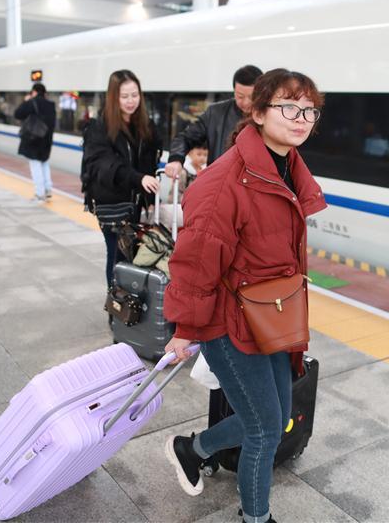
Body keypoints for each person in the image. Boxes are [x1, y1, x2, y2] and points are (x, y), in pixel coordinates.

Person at [162, 69, 326, 523]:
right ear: (258, 113)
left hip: (269, 316)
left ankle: (192, 450)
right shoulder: (225, 181)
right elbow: (195, 262)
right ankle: (256, 517)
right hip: (227, 322)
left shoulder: (288, 168)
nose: (301, 119)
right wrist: (185, 328)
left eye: (309, 110)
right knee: (265, 429)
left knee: (277, 415)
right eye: (288, 108)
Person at [82, 70, 160, 288]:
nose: (131, 101)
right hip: (112, 204)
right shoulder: (99, 128)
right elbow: (106, 165)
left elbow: (149, 165)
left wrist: (149, 199)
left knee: (131, 254)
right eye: (124, 96)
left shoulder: (145, 126)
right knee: (117, 253)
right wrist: (138, 178)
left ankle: (127, 299)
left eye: (135, 95)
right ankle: (116, 301)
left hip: (135, 204)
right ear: (113, 97)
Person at [164, 65, 262, 180]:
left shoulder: (270, 114)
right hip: (220, 180)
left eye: (251, 97)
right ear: (234, 91)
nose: (246, 102)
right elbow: (185, 137)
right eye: (240, 96)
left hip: (257, 182)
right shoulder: (215, 113)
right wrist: (176, 159)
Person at [15, 83, 57, 201]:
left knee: (35, 165)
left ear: (34, 92)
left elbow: (18, 114)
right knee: (44, 163)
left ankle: (39, 193)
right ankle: (48, 190)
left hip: (34, 139)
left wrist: (26, 101)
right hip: (47, 140)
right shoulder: (51, 105)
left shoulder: (32, 102)